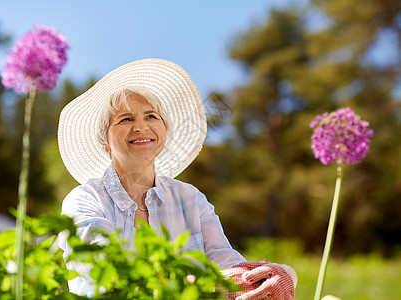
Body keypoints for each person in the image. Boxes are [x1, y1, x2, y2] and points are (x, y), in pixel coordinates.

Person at [58, 58, 297, 299]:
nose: (141, 127)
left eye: (151, 116)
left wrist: (274, 275)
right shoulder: (84, 201)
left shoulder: (190, 198)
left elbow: (228, 266)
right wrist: (203, 285)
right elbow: (107, 277)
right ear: (105, 143)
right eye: (125, 119)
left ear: (164, 131)